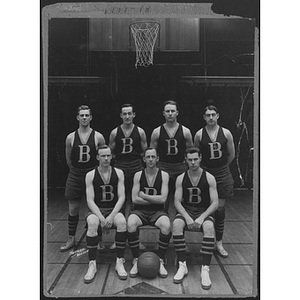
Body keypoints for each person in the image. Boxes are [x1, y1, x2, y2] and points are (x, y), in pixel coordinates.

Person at [60, 105, 106, 252]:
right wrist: (76, 171)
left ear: (91, 117)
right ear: (77, 117)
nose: (84, 118)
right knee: (73, 207)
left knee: (95, 207)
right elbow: (68, 159)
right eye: (82, 115)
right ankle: (71, 238)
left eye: (87, 115)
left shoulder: (98, 136)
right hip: (75, 173)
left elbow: (103, 156)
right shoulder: (70, 137)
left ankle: (98, 239)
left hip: (93, 173)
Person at [172, 147, 219, 289]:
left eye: (195, 159)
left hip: (203, 211)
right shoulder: (181, 178)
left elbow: (215, 203)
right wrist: (187, 217)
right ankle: (182, 264)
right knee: (176, 225)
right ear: (185, 160)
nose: (193, 162)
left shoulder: (209, 177)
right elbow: (176, 202)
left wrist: (201, 218)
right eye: (190, 160)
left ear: (200, 158)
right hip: (187, 211)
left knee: (210, 228)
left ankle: (205, 269)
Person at [194, 105, 235, 258]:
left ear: (218, 116)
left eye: (213, 115)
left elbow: (231, 154)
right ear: (204, 117)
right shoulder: (199, 134)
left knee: (220, 211)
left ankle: (219, 242)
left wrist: (221, 168)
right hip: (206, 172)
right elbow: (196, 155)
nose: (211, 118)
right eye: (207, 115)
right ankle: (206, 241)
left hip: (222, 172)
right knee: (206, 208)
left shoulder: (226, 133)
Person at [105, 103, 148, 251]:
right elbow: (110, 153)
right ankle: (120, 239)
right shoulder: (114, 133)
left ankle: (136, 239)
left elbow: (144, 152)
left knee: (136, 204)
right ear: (121, 115)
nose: (127, 116)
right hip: (120, 167)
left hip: (136, 166)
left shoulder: (140, 132)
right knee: (121, 202)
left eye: (130, 113)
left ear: (134, 115)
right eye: (125, 114)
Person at [83, 145, 128, 283]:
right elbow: (90, 200)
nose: (106, 158)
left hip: (113, 209)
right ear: (97, 157)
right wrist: (102, 218)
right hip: (97, 209)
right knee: (92, 223)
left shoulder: (119, 173)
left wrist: (111, 216)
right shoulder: (90, 175)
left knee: (121, 222)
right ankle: (92, 264)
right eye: (103, 156)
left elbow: (122, 197)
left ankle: (119, 261)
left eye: (108, 155)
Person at [127, 147, 171, 278]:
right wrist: (154, 200)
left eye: (153, 157)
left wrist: (144, 196)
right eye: (148, 157)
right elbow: (134, 199)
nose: (151, 160)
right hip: (139, 211)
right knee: (130, 224)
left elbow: (163, 199)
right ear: (144, 159)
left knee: (166, 225)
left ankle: (161, 259)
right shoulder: (137, 175)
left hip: (157, 212)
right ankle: (136, 258)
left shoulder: (164, 175)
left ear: (157, 158)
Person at [150, 100, 193, 213]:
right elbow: (151, 154)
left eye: (172, 111)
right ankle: (164, 228)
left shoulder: (185, 131)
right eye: (167, 111)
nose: (170, 113)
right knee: (163, 201)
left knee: (182, 200)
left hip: (180, 167)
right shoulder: (157, 132)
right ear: (163, 113)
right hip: (163, 167)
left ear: (177, 113)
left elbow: (191, 153)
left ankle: (180, 226)